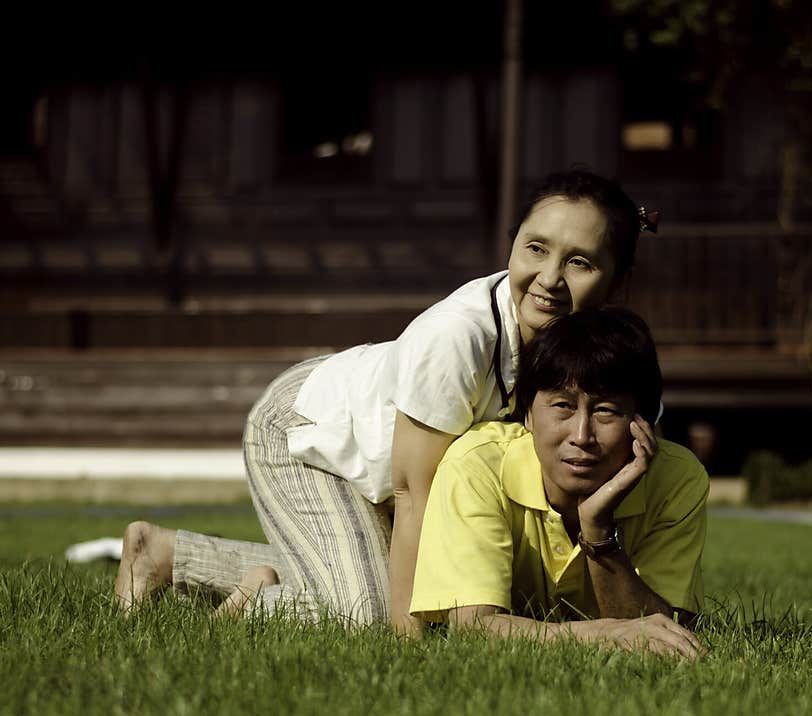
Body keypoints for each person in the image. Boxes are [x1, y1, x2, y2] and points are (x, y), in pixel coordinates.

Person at [115, 167, 656, 632]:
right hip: (311, 430)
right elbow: (413, 494)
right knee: (367, 613)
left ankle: (186, 556)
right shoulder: (458, 337)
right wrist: (408, 652)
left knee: (436, 596)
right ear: (511, 244)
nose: (550, 279)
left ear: (618, 281)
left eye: (580, 262)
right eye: (535, 248)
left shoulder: (601, 356)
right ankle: (195, 569)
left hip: (385, 459)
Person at [410, 307, 708, 658]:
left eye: (605, 411)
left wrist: (599, 532)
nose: (582, 436)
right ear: (529, 415)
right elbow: (473, 627)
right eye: (563, 405)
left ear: (641, 421)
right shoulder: (476, 465)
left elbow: (666, 632)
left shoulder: (677, 479)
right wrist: (599, 634)